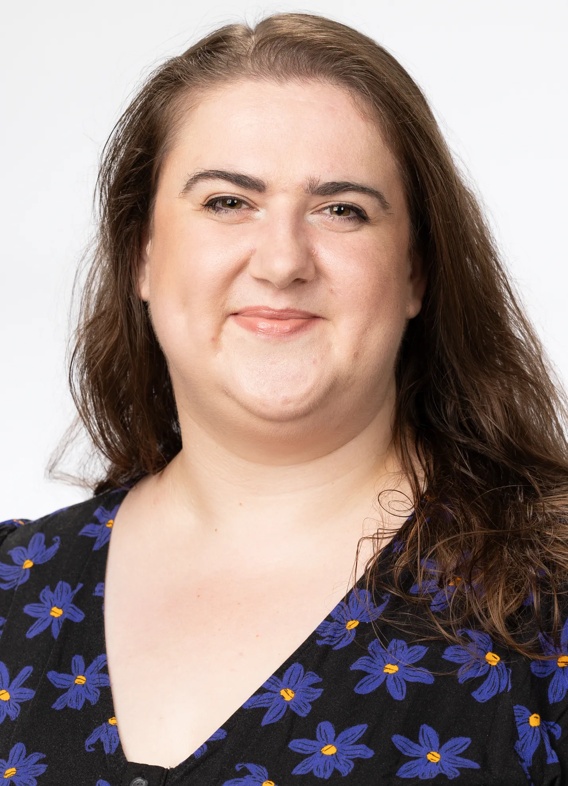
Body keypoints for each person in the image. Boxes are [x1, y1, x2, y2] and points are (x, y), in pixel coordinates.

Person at [1, 12, 567, 786]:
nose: (281, 261)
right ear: (142, 254)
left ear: (416, 272)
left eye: (342, 210)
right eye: (227, 202)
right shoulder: (14, 589)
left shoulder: (548, 604)